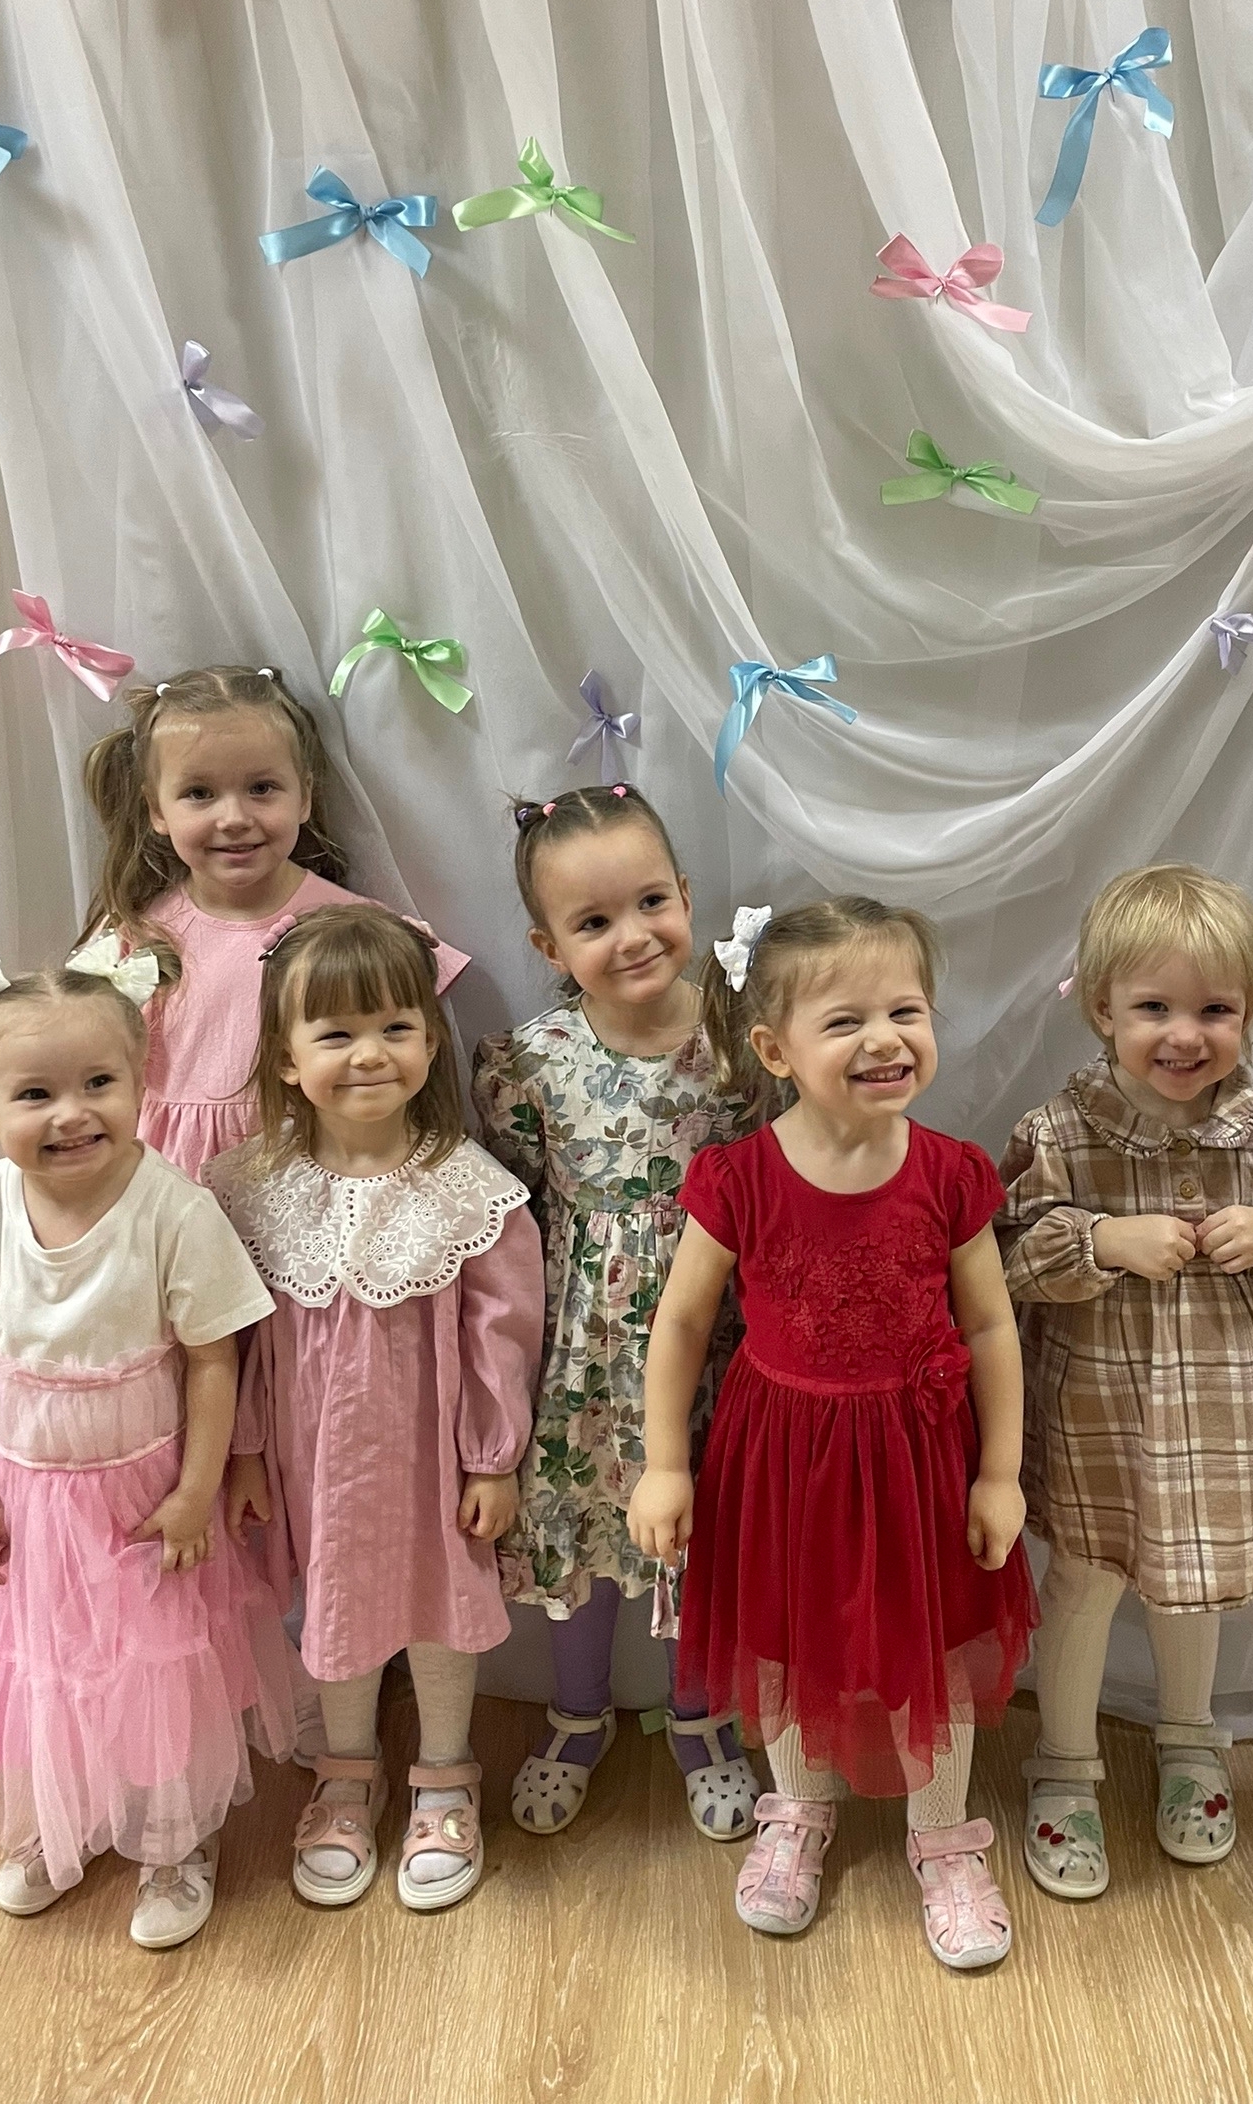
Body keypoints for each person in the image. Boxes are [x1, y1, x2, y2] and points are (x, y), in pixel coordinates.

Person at [630, 897, 1037, 1972]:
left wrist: (1000, 1473)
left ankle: (945, 1838)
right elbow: (682, 1322)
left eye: (906, 1010)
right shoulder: (739, 1178)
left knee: (934, 1647)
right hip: (782, 1462)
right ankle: (798, 1811)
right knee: (786, 1642)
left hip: (918, 1459)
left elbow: (991, 1325)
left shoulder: (950, 1172)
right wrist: (665, 1462)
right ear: (775, 1050)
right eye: (846, 1019)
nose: (885, 1038)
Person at [0, 938, 294, 1949]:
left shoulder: (172, 1210)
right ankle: (56, 1816)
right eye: (35, 1094)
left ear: (140, 1080)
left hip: (145, 1496)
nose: (72, 1113)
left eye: (98, 1083)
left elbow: (213, 1359)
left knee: (157, 1667)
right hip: (27, 1498)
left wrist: (196, 1491)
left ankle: (172, 1835)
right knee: (42, 1664)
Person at [997, 865, 1253, 1901]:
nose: (1184, 1035)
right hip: (1094, 1415)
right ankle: (1065, 1762)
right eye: (1154, 1007)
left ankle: (1190, 1736)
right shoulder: (1061, 1129)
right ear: (1104, 1009)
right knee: (1084, 1582)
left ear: (1251, 1013)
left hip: (1220, 1418)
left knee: (1195, 1586)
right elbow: (1002, 1255)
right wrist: (1101, 1239)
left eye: (1215, 1011)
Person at [209, 907, 544, 1911]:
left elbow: (502, 1335)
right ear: (286, 1055)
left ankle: (444, 1775)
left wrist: (492, 1457)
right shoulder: (252, 1187)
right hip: (313, 1459)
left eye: (396, 1026)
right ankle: (346, 1771)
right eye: (336, 1032)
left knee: (442, 1604)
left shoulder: (468, 1189)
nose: (369, 1053)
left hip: (432, 1454)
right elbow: (233, 1338)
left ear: (431, 1039)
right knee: (336, 1602)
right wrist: (246, 1450)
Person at [472, 786, 762, 1842]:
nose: (632, 935)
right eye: (594, 921)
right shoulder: (531, 1061)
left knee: (698, 1537)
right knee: (584, 1537)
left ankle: (700, 1716)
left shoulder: (742, 1042)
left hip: (715, 1345)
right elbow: (510, 1212)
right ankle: (578, 1712)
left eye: (649, 903)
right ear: (549, 946)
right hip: (582, 1356)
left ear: (685, 894)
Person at [81, 663, 466, 1179]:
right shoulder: (134, 938)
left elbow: (415, 1067)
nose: (235, 818)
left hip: (313, 1183)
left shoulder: (362, 932)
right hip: (176, 1186)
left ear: (303, 796)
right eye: (199, 793)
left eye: (262, 788)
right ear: (156, 810)